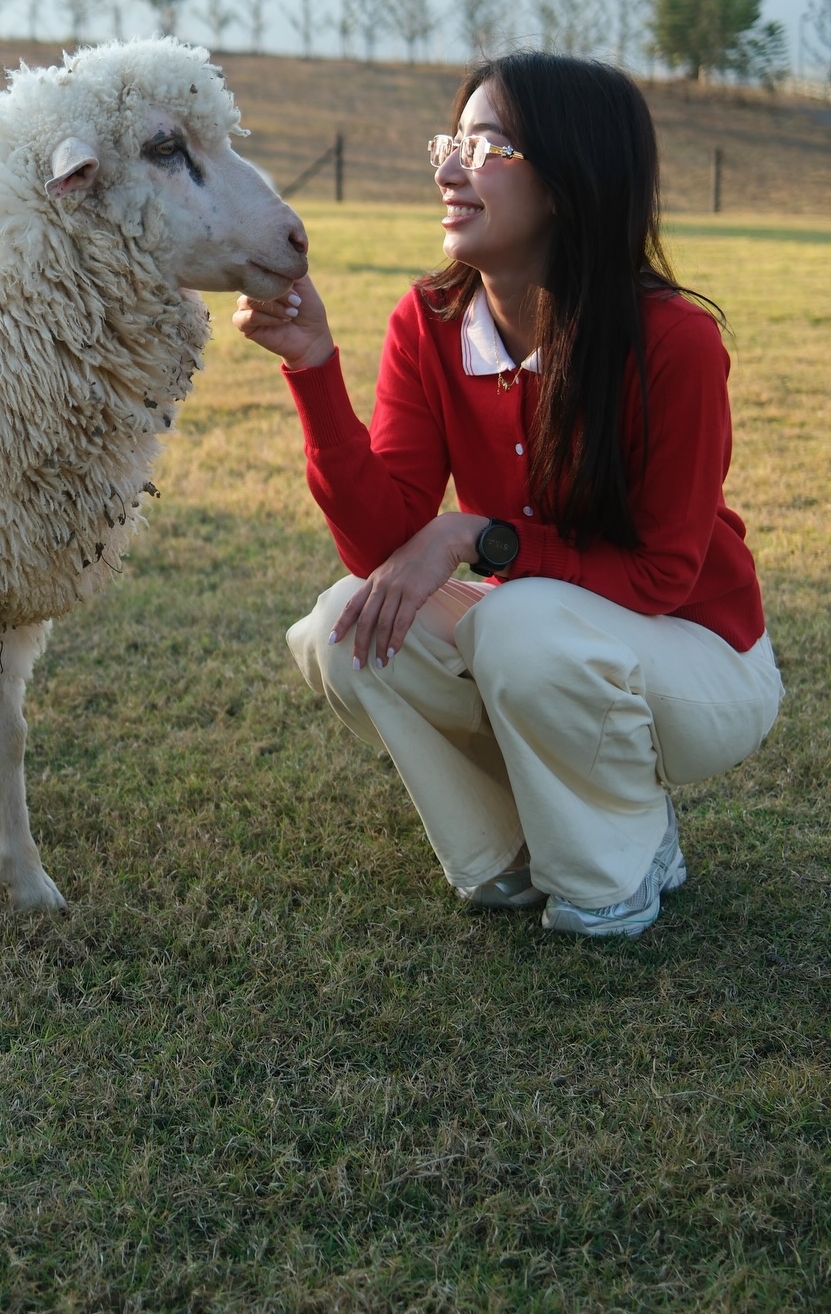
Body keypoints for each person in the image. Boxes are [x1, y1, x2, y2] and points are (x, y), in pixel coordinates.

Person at [233, 53, 781, 937]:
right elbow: (385, 543)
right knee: (350, 624)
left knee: (516, 624)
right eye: (448, 143)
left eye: (483, 148)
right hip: (546, 630)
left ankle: (625, 864)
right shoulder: (432, 321)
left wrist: (482, 538)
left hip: (703, 661)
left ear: (568, 180)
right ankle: (506, 859)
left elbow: (663, 578)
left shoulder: (675, 343)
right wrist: (314, 369)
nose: (447, 169)